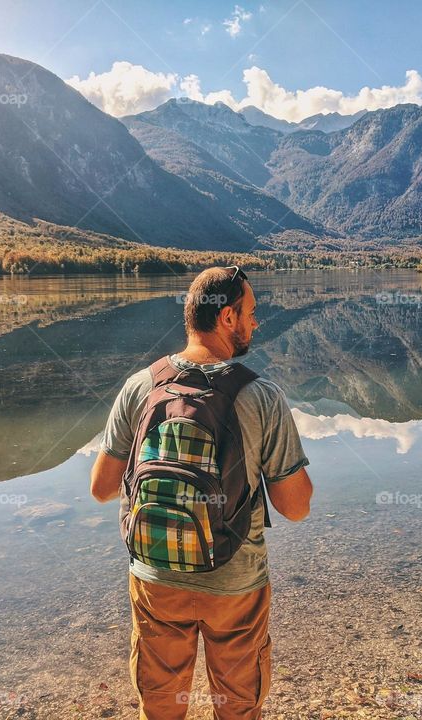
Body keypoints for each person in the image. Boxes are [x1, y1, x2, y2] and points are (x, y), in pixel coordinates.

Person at [90, 266, 313, 720]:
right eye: (251, 313)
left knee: (160, 702)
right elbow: (295, 508)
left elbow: (100, 489)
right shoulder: (262, 396)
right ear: (227, 317)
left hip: (156, 575)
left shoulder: (140, 385)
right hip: (233, 581)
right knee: (236, 704)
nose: (255, 322)